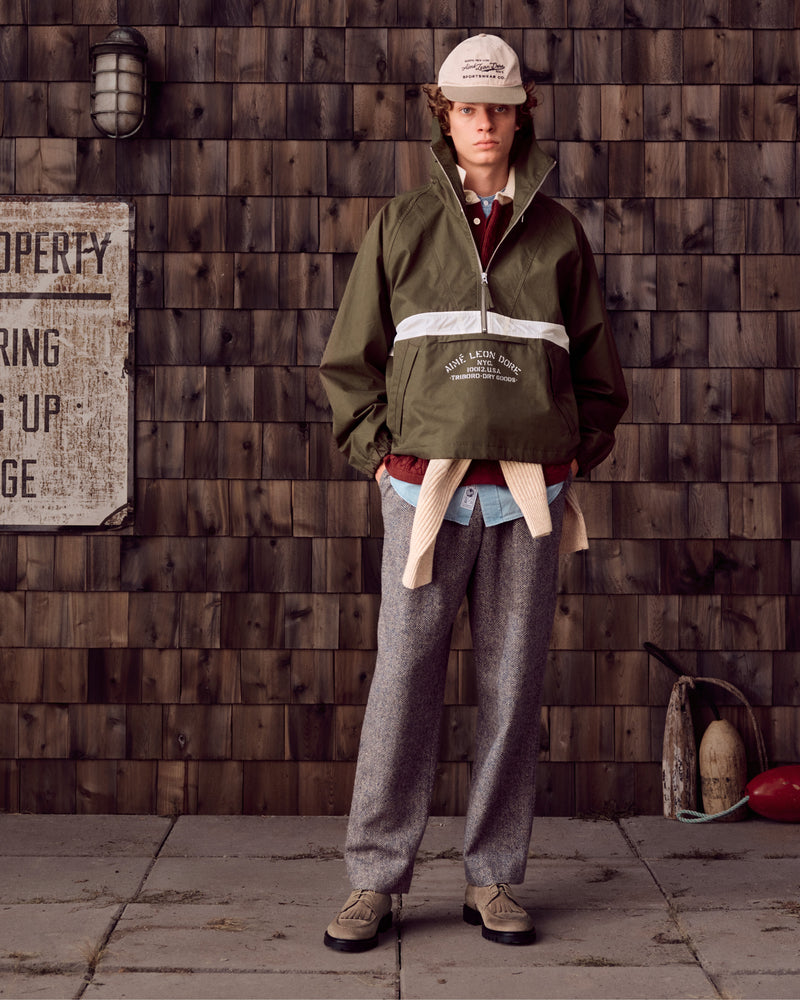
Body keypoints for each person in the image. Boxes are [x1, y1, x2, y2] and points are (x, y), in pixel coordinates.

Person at [318, 33, 628, 951]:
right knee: (403, 685)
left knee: (512, 687)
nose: (483, 123)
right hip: (426, 494)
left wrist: (570, 457)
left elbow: (599, 373)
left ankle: (492, 878)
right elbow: (350, 362)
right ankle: (374, 881)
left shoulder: (560, 232)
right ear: (443, 116)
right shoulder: (403, 224)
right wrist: (382, 459)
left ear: (520, 116)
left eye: (498, 108)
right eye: (466, 108)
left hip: (526, 497)